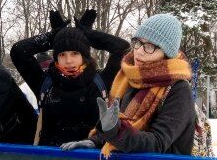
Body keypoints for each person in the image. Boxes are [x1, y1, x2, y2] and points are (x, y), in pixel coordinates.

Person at [60, 13, 195, 156]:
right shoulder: (129, 78)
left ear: (167, 53)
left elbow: (158, 143)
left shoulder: (178, 89)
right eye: (138, 42)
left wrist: (115, 131)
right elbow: (117, 128)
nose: (139, 51)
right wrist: (95, 141)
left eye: (150, 46)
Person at [10, 9, 129, 147]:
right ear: (56, 58)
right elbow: (19, 51)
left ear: (84, 56)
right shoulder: (44, 82)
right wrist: (54, 36)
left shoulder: (100, 81)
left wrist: (87, 34)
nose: (68, 61)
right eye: (62, 55)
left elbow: (123, 49)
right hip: (50, 159)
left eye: (74, 53)